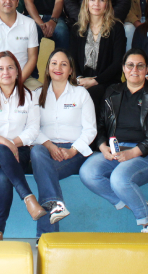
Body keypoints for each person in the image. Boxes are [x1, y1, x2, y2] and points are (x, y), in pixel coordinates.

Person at [79, 48, 148, 233]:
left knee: (119, 179)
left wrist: (134, 152)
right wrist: (102, 146)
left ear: (147, 69)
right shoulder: (112, 91)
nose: (134, 70)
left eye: (140, 66)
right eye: (130, 65)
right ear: (123, 68)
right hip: (116, 151)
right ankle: (141, 207)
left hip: (147, 154)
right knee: (88, 172)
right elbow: (101, 125)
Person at [0, 51, 46, 240]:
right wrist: (6, 142)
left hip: (19, 151)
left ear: (17, 71)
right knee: (0, 149)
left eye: (10, 67)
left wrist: (13, 144)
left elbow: (33, 130)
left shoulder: (29, 96)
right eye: (0, 68)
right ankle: (28, 198)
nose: (5, 72)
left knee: (4, 176)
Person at [31, 49, 95, 237]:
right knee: (36, 152)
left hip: (74, 152)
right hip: (45, 151)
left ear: (70, 70)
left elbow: (90, 129)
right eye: (54, 63)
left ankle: (46, 235)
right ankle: (55, 205)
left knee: (44, 174)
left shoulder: (81, 94)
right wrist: (49, 145)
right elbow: (31, 128)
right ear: (47, 68)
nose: (58, 67)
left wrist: (73, 150)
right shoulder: (37, 95)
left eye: (63, 64)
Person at [68, 0, 126, 108]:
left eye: (101, 0)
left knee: (91, 94)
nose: (96, 4)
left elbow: (117, 62)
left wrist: (96, 80)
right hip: (82, 79)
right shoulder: (77, 29)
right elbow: (72, 59)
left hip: (107, 80)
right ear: (86, 3)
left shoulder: (116, 28)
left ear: (107, 5)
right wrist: (79, 79)